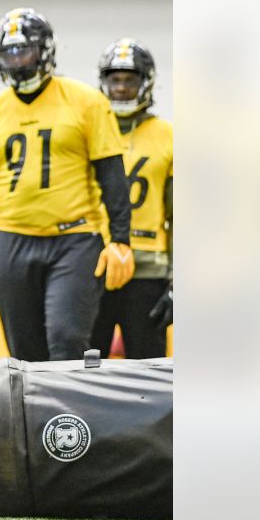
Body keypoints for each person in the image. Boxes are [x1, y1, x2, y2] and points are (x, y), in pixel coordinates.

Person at [0, 8, 135, 362]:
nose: (18, 61)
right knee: (24, 354)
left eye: (25, 51)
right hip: (13, 240)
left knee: (67, 340)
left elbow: (112, 177)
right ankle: (36, 421)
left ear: (46, 50)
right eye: (9, 53)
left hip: (75, 240)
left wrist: (120, 240)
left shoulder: (86, 102)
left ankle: (69, 419)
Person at [89, 39, 173, 358]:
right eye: (115, 79)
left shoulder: (169, 135)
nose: (121, 88)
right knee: (85, 369)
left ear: (146, 82)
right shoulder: (88, 130)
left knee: (149, 374)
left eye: (130, 80)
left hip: (148, 270)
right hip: (95, 263)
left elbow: (180, 216)